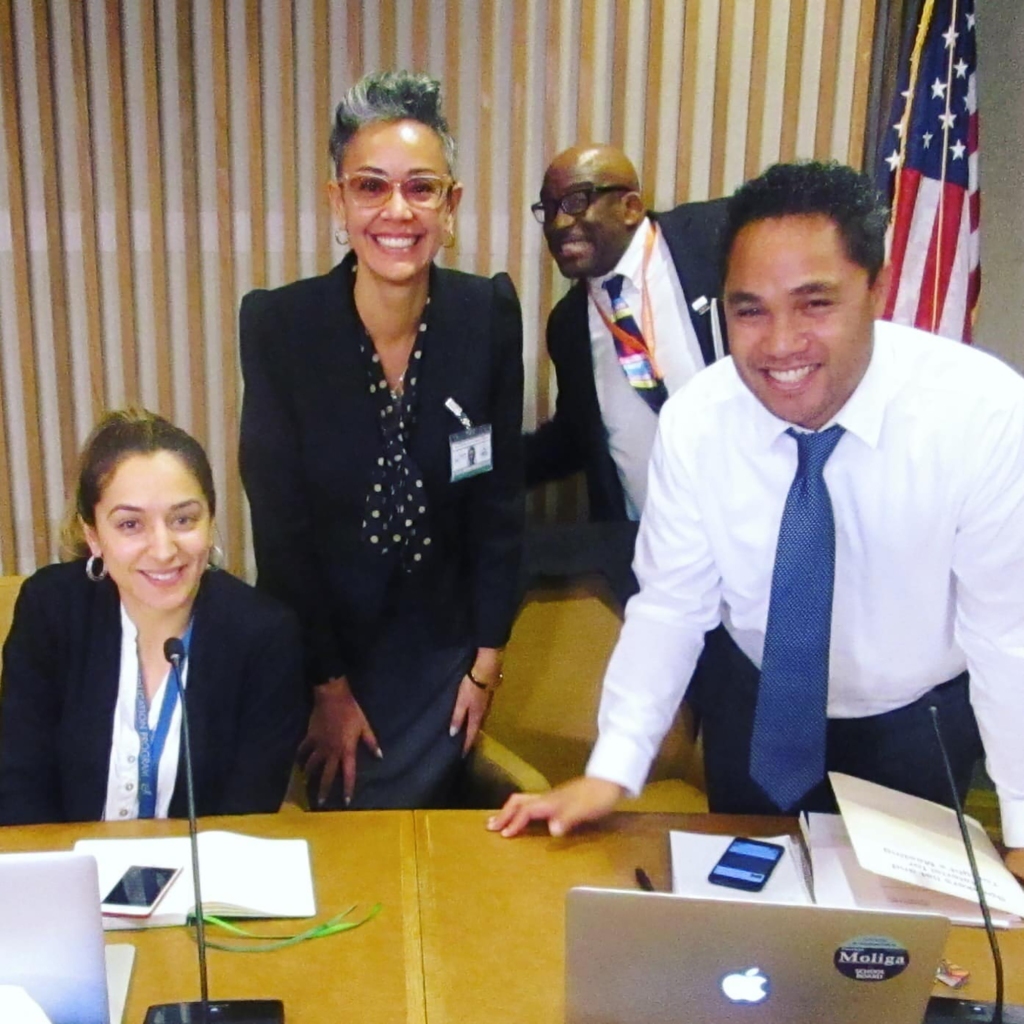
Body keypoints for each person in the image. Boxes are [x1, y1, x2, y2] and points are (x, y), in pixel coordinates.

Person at [490, 161, 1024, 880]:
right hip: (759, 711)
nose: (779, 344)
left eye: (814, 304)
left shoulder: (983, 415)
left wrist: (1021, 823)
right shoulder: (698, 422)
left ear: (877, 288)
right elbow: (672, 608)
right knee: (749, 937)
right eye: (750, 310)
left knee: (891, 957)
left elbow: (1006, 636)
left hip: (915, 721)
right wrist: (612, 769)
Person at [239, 71, 524, 810]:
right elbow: (282, 531)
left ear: (451, 205)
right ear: (338, 202)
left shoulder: (485, 316)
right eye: (371, 187)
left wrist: (485, 664)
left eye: (421, 188)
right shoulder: (280, 328)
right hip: (328, 652)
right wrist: (326, 687)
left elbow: (498, 504)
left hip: (445, 654)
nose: (397, 211)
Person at [0, 410, 306, 825]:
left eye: (183, 519)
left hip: (201, 879)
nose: (163, 549)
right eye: (130, 524)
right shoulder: (51, 609)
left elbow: (246, 813)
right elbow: (20, 788)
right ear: (93, 536)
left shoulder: (264, 636)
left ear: (211, 520)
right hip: (65, 873)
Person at [523, 145, 727, 605]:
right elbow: (580, 437)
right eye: (549, 208)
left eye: (576, 201)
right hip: (656, 566)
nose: (557, 224)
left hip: (755, 542)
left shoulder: (714, 240)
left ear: (631, 206)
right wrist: (484, 467)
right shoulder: (570, 325)